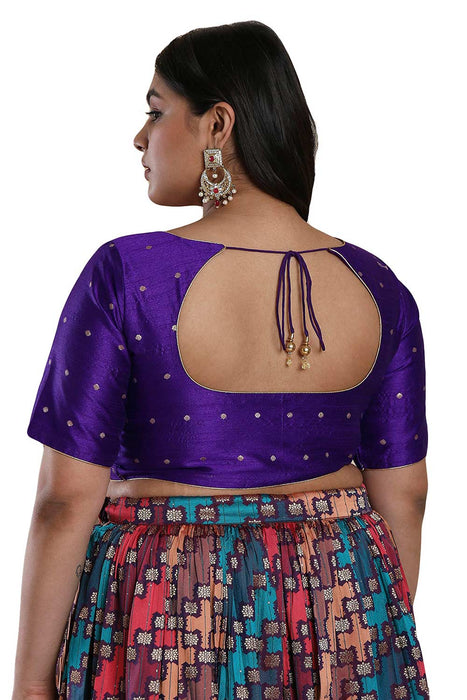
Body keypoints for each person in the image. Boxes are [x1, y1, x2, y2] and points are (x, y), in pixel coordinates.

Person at [12, 20, 430, 700]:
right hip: (345, 593)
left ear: (217, 124)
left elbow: (65, 500)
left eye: (155, 111)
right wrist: (371, 625)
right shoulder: (380, 288)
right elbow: (404, 494)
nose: (140, 137)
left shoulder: (130, 274)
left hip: (166, 602)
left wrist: (31, 681)